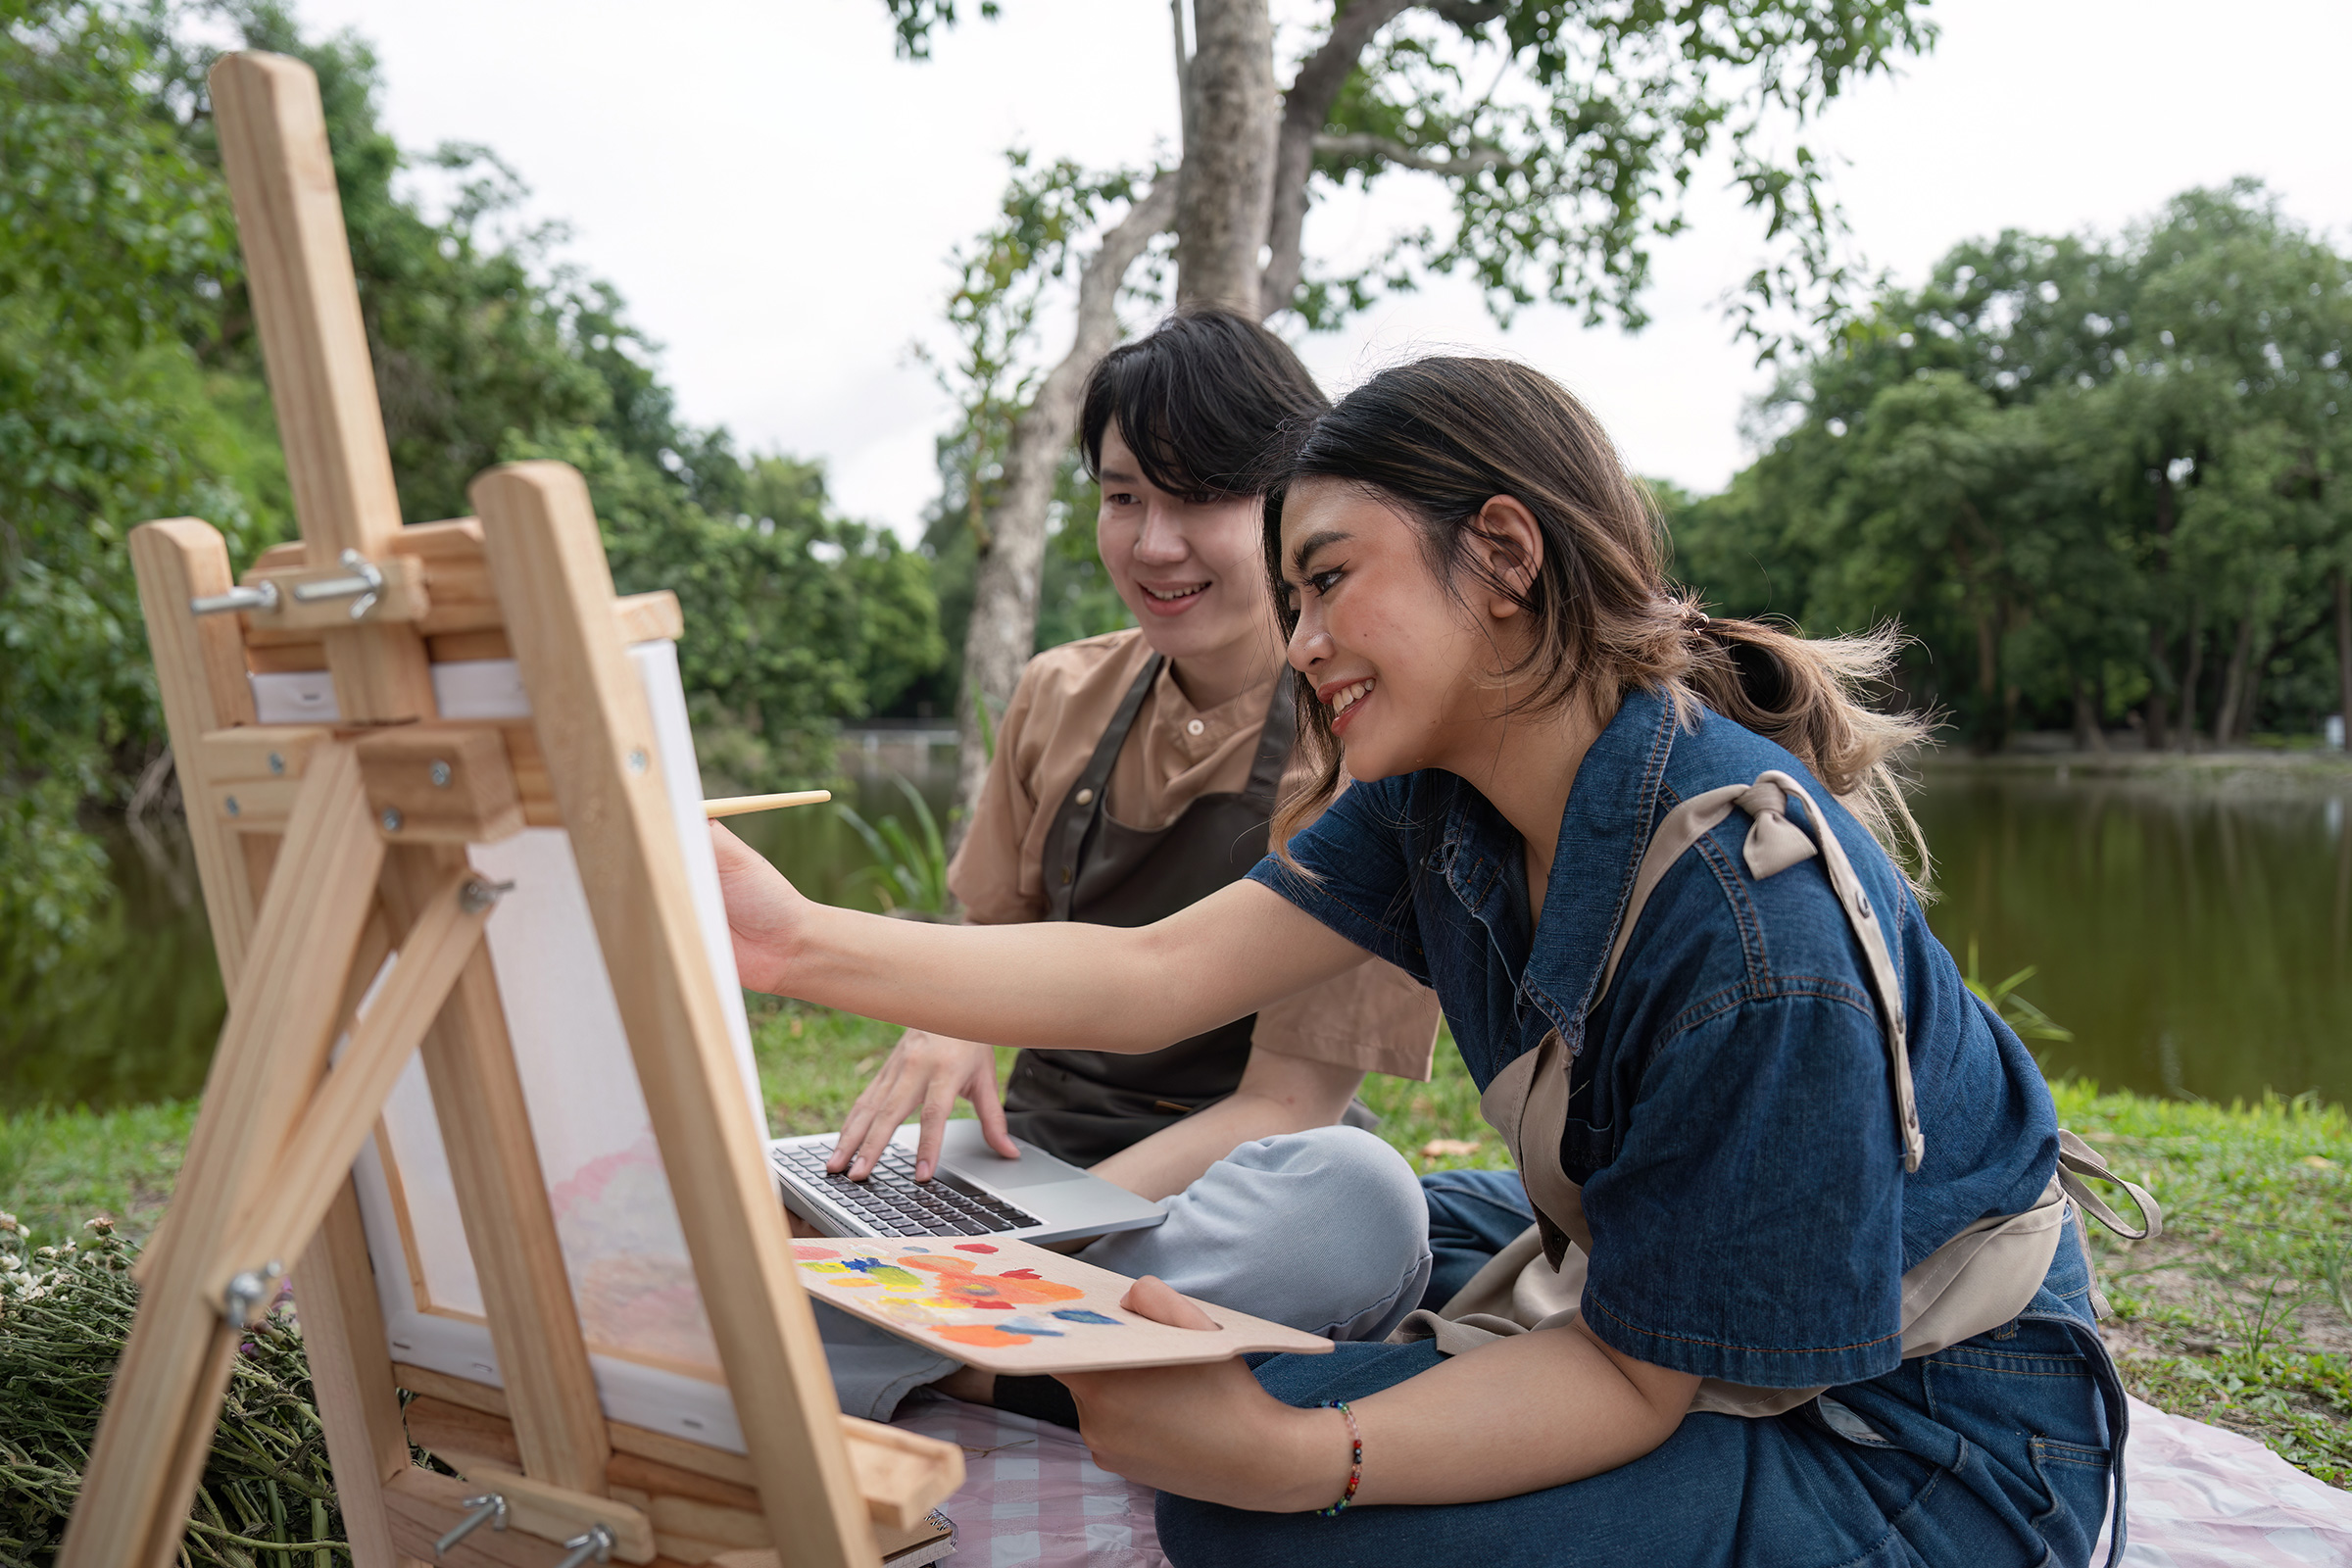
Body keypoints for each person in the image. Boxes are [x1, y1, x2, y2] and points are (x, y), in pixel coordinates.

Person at [717, 354, 2137, 1568]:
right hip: (1652, 1301)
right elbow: (1150, 976)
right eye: (1296, 593)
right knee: (1241, 1338)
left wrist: (1304, 1457)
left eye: (1329, 581)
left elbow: (1638, 1384)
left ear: (1507, 556)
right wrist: (787, 939)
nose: (1305, 638)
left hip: (1921, 1443)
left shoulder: (1753, 924)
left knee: (1243, 1506)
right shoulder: (1441, 803)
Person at [806, 307, 1443, 1424]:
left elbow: (1289, 1102)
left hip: (1220, 1185)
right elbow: (983, 950)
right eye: (1122, 496)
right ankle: (1018, 1356)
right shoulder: (1059, 693)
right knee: (732, 1195)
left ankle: (938, 1348)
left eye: (1200, 496)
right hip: (1025, 1155)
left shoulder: (1366, 740)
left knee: (1362, 1204)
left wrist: (1035, 1240)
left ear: (1294, 507)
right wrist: (948, 1015)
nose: (1154, 542)